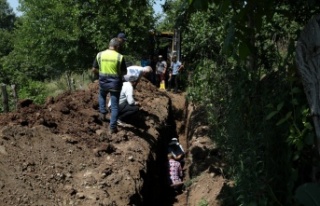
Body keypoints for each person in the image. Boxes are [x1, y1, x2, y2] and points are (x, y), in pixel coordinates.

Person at [91, 38, 127, 134]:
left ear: (109, 45)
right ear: (117, 46)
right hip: (115, 84)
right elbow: (124, 72)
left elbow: (94, 69)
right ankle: (112, 127)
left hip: (103, 81)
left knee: (102, 95)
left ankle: (103, 113)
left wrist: (101, 73)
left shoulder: (100, 54)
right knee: (115, 106)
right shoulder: (119, 57)